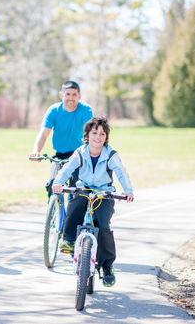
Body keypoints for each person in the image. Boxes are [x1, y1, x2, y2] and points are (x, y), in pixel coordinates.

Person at [52, 116, 134, 287]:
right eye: (94, 132)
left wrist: (128, 190)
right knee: (76, 203)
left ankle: (107, 267)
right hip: (84, 188)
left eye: (102, 134)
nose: (98, 137)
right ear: (87, 135)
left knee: (103, 226)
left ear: (106, 137)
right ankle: (69, 239)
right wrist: (58, 182)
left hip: (104, 192)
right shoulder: (80, 152)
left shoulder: (110, 154)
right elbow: (68, 169)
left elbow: (121, 172)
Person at [29, 81, 93, 190]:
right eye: (67, 94)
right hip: (59, 156)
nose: (71, 98)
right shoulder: (53, 110)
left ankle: (74, 206)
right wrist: (36, 151)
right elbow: (43, 134)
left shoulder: (85, 110)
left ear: (79, 96)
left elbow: (91, 133)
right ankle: (54, 205)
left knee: (77, 185)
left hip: (79, 155)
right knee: (52, 184)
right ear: (61, 95)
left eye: (74, 94)